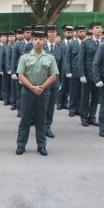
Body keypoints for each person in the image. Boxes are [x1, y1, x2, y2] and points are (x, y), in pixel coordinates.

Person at [15, 27, 58, 156]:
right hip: (28, 92)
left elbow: (54, 75)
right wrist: (32, 87)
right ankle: (21, 145)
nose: (38, 42)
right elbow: (20, 75)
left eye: (40, 39)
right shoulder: (25, 57)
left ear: (44, 41)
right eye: (35, 39)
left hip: (43, 93)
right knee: (25, 120)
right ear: (32, 41)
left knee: (41, 120)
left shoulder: (50, 57)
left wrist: (42, 87)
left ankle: (42, 146)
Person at [78, 22, 103, 127]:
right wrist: (82, 74)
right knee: (85, 97)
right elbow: (80, 59)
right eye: (97, 28)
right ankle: (84, 117)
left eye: (101, 28)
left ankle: (92, 117)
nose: (99, 29)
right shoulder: (86, 43)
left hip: (99, 76)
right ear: (92, 30)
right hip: (88, 74)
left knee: (96, 97)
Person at [43, 25, 63, 138]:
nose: (52, 34)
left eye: (54, 32)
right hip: (43, 81)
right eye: (50, 32)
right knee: (42, 105)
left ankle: (47, 126)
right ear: (47, 34)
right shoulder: (42, 46)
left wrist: (61, 82)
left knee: (51, 106)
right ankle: (41, 125)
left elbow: (62, 67)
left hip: (55, 82)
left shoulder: (60, 48)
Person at [64, 25, 85, 117]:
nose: (82, 33)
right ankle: (72, 108)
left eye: (84, 31)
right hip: (74, 71)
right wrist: (68, 71)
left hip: (84, 72)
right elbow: (67, 58)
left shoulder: (87, 43)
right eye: (80, 31)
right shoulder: (71, 44)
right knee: (73, 91)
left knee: (82, 92)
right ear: (76, 33)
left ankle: (80, 109)